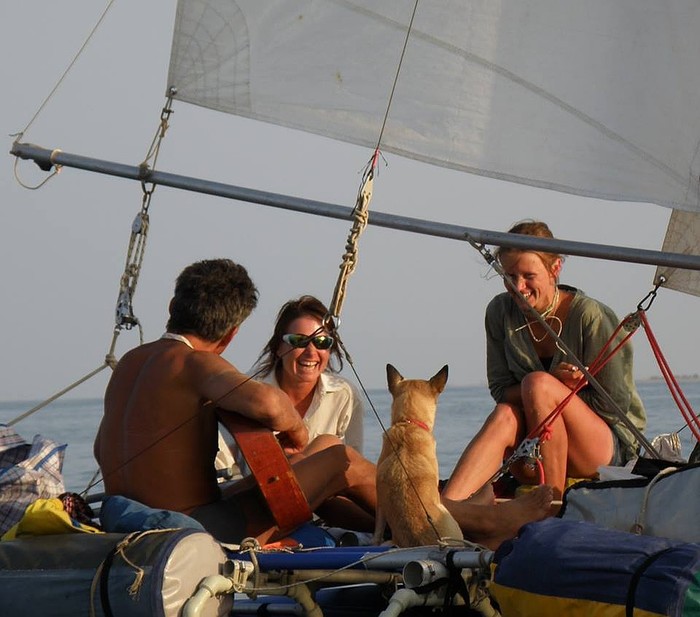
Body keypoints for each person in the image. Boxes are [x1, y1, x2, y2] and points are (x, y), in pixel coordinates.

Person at [94, 259, 376, 545]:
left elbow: (99, 448)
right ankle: (405, 527)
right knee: (344, 461)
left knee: (324, 447)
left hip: (128, 520)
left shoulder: (130, 362)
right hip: (193, 531)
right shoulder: (195, 362)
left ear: (172, 306)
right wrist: (298, 432)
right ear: (232, 333)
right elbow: (269, 405)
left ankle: (382, 530)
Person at [442, 220, 647, 505]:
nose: (518, 287)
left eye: (529, 276)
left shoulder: (590, 317)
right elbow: (501, 391)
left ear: (555, 268)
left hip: (603, 450)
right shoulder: (499, 312)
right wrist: (550, 387)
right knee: (505, 412)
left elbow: (614, 407)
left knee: (538, 384)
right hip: (533, 448)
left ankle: (551, 505)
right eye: (509, 276)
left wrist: (555, 391)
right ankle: (444, 511)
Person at [218, 294, 371, 530]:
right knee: (329, 446)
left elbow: (351, 480)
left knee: (332, 450)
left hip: (327, 513)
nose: (311, 352)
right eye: (299, 341)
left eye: (322, 342)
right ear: (279, 347)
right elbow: (223, 479)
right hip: (256, 512)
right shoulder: (248, 396)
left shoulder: (344, 395)